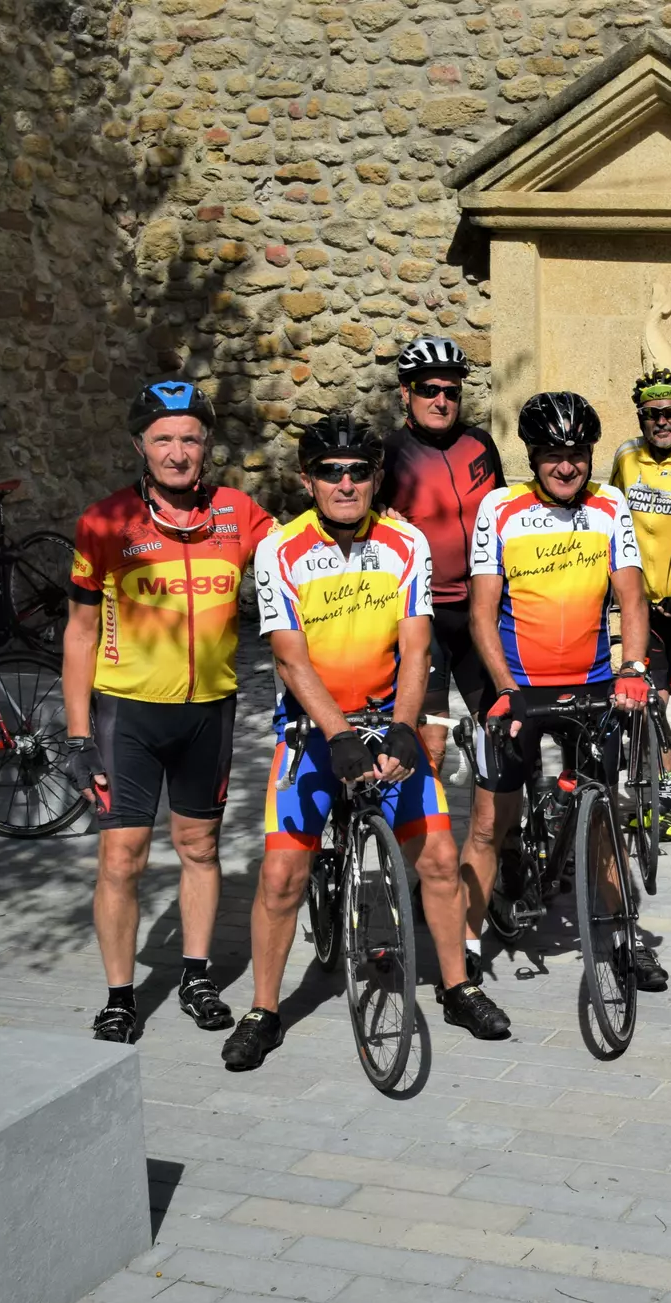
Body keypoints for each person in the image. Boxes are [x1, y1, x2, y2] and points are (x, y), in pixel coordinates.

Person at [222, 412, 511, 1071]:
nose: (346, 483)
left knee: (437, 857)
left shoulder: (404, 543)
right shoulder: (279, 549)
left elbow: (416, 647)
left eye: (359, 471)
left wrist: (407, 726)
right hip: (313, 728)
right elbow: (291, 660)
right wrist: (338, 734)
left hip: (387, 715)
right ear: (308, 479)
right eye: (331, 472)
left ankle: (458, 987)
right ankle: (264, 1010)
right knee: (279, 874)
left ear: (377, 477)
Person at [62, 380, 273, 1044]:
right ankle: (121, 994)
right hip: (127, 714)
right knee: (123, 857)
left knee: (199, 847)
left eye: (189, 437)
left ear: (206, 444)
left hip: (208, 710)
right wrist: (75, 733)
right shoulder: (104, 521)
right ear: (139, 445)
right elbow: (78, 631)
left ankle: (196, 974)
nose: (177, 452)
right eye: (163, 438)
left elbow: (306, 559)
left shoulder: (241, 515)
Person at [468, 391, 667, 991]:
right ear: (531, 455)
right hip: (519, 686)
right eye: (552, 455)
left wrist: (632, 668)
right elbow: (481, 613)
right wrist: (503, 688)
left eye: (576, 454)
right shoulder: (498, 509)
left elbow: (631, 595)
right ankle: (467, 949)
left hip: (592, 684)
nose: (565, 467)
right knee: (488, 821)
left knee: (602, 811)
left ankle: (622, 938)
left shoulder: (610, 506)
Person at [378, 334, 509, 976]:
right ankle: (425, 881)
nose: (441, 399)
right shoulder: (389, 454)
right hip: (420, 617)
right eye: (428, 389)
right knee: (422, 750)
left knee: (499, 735)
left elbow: (507, 515)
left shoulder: (480, 444)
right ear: (406, 394)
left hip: (479, 612)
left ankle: (486, 871)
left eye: (450, 390)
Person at [608, 368, 671, 843]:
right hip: (640, 606)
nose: (661, 422)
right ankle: (663, 791)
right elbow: (609, 515)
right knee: (648, 703)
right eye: (652, 414)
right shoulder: (627, 456)